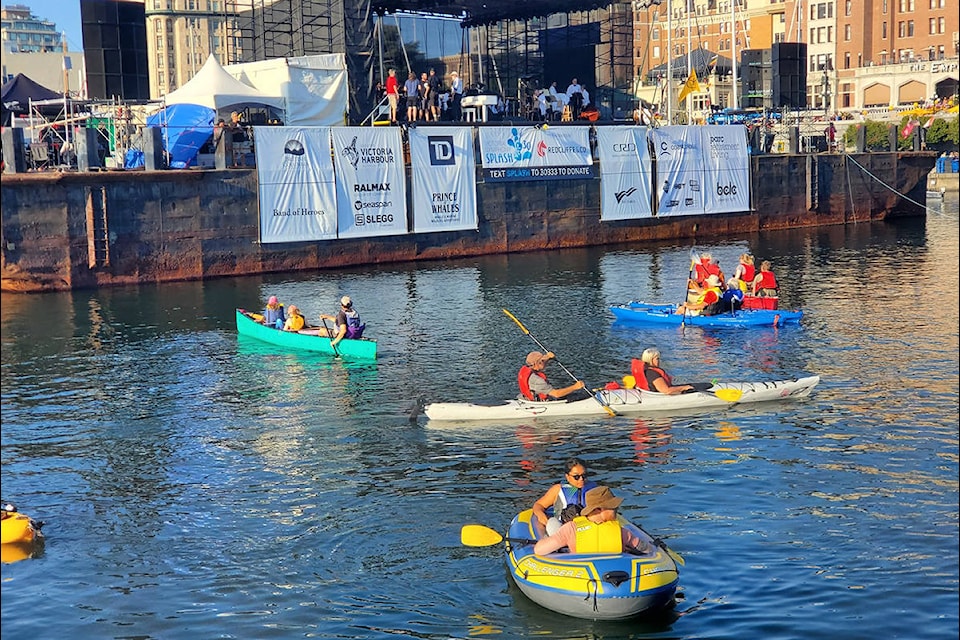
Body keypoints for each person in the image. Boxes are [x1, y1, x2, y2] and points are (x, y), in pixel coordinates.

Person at [533, 486, 648, 556]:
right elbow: (646, 549)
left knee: (553, 525)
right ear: (599, 509)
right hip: (616, 573)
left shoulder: (571, 529)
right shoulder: (621, 532)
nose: (617, 509)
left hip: (584, 579)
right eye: (613, 507)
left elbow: (539, 550)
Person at [532, 457, 599, 535]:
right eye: (576, 477)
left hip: (588, 528)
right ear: (567, 476)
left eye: (584, 476)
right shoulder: (558, 490)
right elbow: (539, 505)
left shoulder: (594, 488)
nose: (581, 479)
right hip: (563, 529)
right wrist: (544, 519)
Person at [517, 351, 585, 401]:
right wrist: (575, 387)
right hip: (540, 402)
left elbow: (539, 363)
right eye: (543, 361)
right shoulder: (538, 381)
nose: (545, 362)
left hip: (526, 398)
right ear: (537, 363)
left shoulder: (525, 369)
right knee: (575, 395)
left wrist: (548, 357)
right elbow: (556, 394)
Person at [628, 348, 695, 394]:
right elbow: (666, 390)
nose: (659, 361)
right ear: (651, 360)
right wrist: (684, 388)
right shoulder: (652, 374)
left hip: (649, 393)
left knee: (695, 385)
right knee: (692, 387)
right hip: (659, 395)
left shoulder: (647, 371)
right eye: (657, 359)